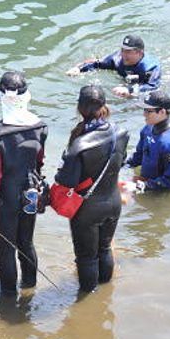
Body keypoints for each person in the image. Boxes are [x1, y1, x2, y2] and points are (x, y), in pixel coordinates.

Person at [0, 71, 48, 296]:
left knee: (5, 248)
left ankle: (8, 296)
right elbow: (39, 162)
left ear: (1, 96)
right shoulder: (39, 127)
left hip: (6, 200)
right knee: (26, 242)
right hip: (31, 194)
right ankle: (30, 288)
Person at [54, 85, 129, 293]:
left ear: (79, 108)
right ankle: (104, 295)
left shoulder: (78, 145)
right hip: (113, 203)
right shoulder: (121, 133)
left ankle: (86, 299)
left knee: (86, 258)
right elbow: (120, 162)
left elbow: (66, 181)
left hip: (86, 210)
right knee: (104, 249)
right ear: (104, 106)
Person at [123, 90, 170, 192]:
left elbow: (169, 181)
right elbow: (139, 156)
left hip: (161, 193)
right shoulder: (147, 129)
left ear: (162, 112)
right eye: (144, 109)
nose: (144, 114)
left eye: (148, 111)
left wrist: (140, 187)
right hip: (145, 181)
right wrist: (122, 166)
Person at [66, 34, 161, 98]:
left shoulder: (151, 67)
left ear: (140, 53)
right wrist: (79, 69)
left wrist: (129, 90)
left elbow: (153, 86)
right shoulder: (116, 59)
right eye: (122, 50)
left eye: (128, 52)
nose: (123, 54)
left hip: (140, 85)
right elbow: (96, 63)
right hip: (125, 81)